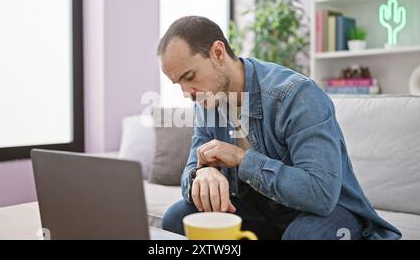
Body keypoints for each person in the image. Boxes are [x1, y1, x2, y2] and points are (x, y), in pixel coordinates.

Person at [157, 16, 401, 240]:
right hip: (261, 210)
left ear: (218, 53)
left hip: (324, 211)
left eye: (189, 76)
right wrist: (201, 173)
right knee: (176, 218)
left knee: (303, 236)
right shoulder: (206, 100)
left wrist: (243, 159)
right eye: (178, 83)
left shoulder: (297, 96)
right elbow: (190, 170)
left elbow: (321, 195)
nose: (186, 93)